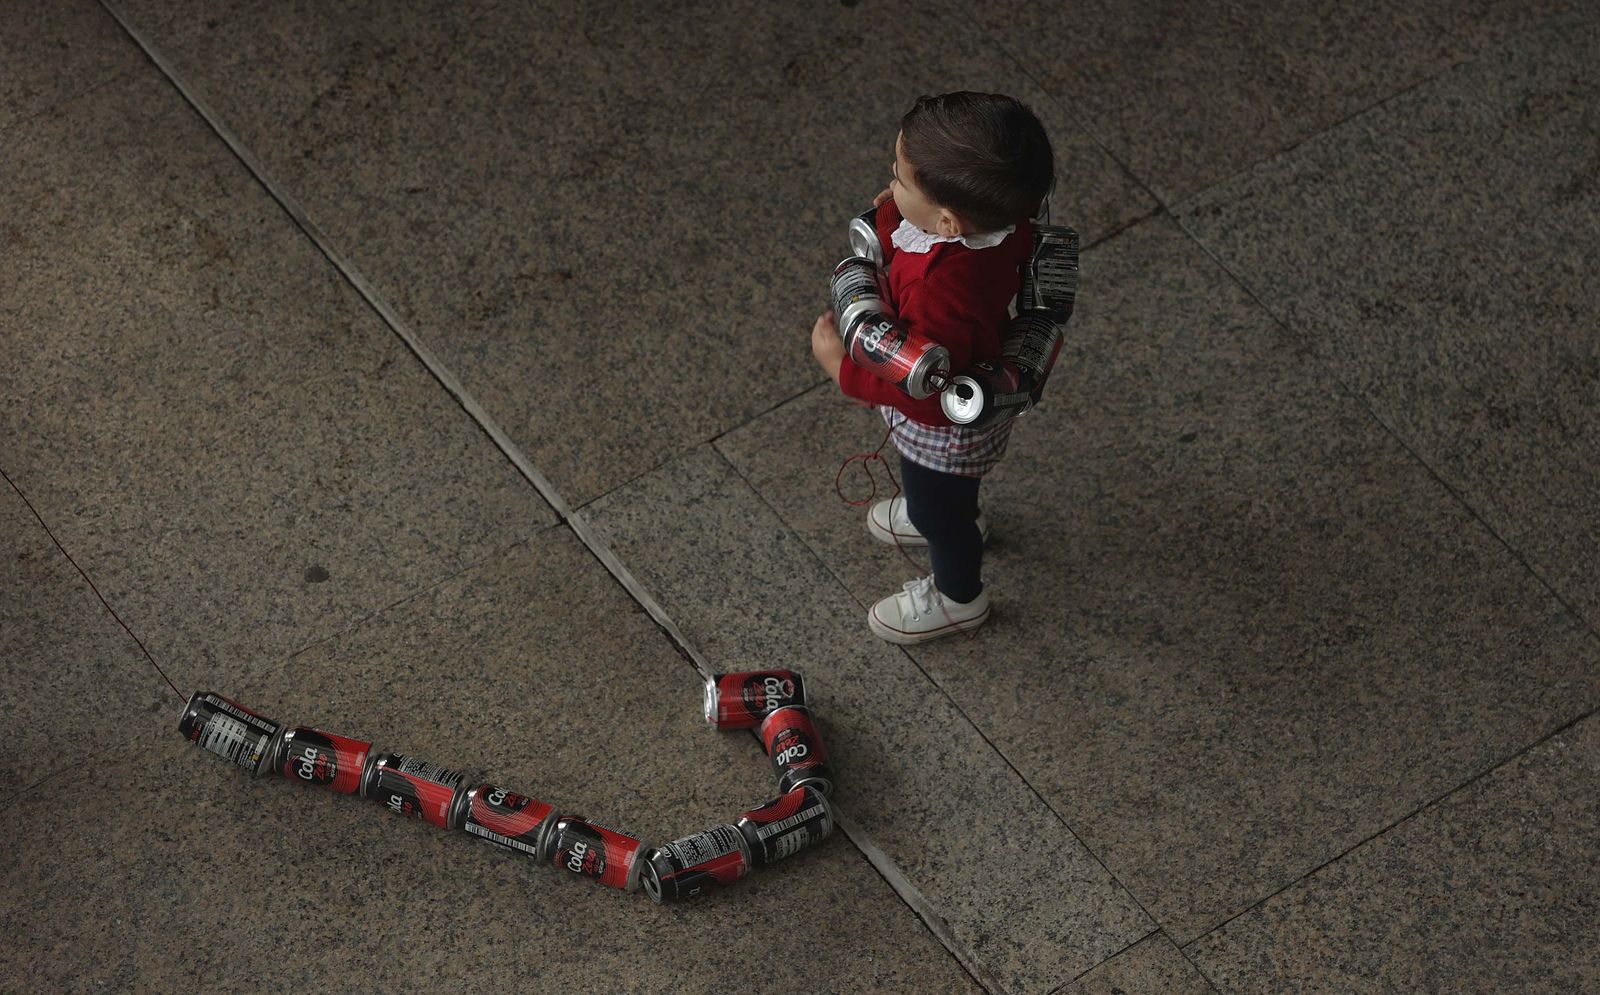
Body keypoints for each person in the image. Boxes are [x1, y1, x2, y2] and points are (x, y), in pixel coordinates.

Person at [810, 91, 1055, 644]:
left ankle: (958, 596)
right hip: (972, 410)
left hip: (941, 430)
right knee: (946, 497)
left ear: (946, 220)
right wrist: (902, 208)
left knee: (939, 510)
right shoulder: (1003, 222)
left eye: (898, 180)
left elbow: (923, 394)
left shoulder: (938, 294)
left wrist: (841, 369)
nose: (888, 186)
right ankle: (949, 509)